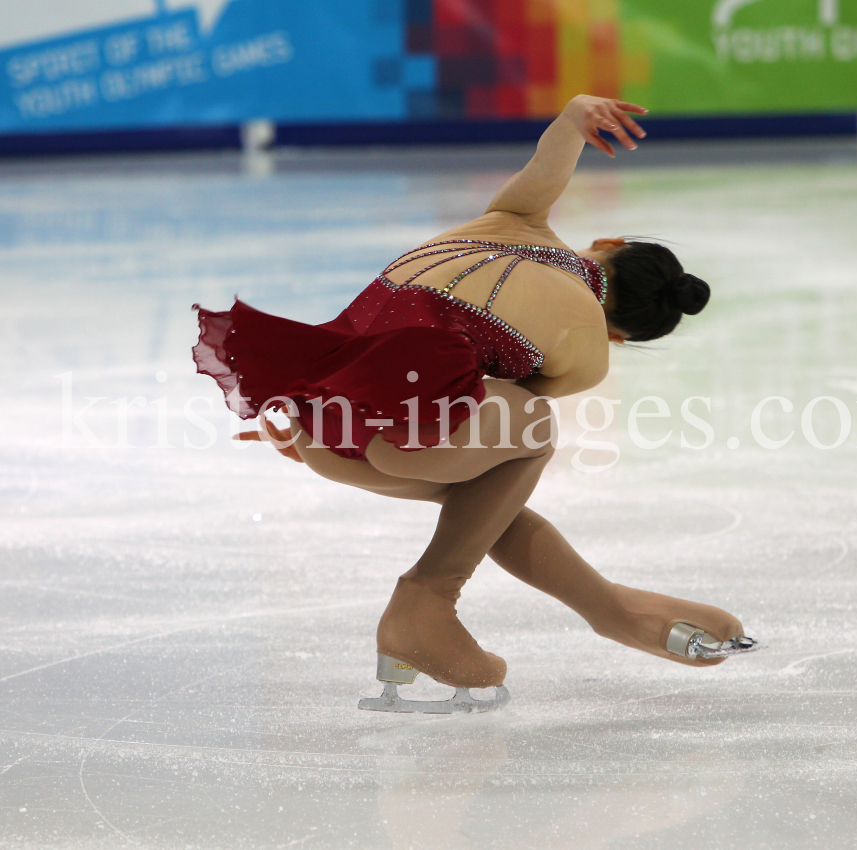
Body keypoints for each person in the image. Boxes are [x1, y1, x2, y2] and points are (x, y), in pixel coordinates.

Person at [193, 94, 760, 714]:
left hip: (317, 418)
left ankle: (608, 607)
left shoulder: (514, 219)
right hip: (404, 430)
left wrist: (574, 119)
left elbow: (548, 167)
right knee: (531, 436)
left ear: (609, 239)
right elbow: (484, 431)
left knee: (486, 498)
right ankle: (429, 598)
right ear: (621, 336)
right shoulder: (589, 350)